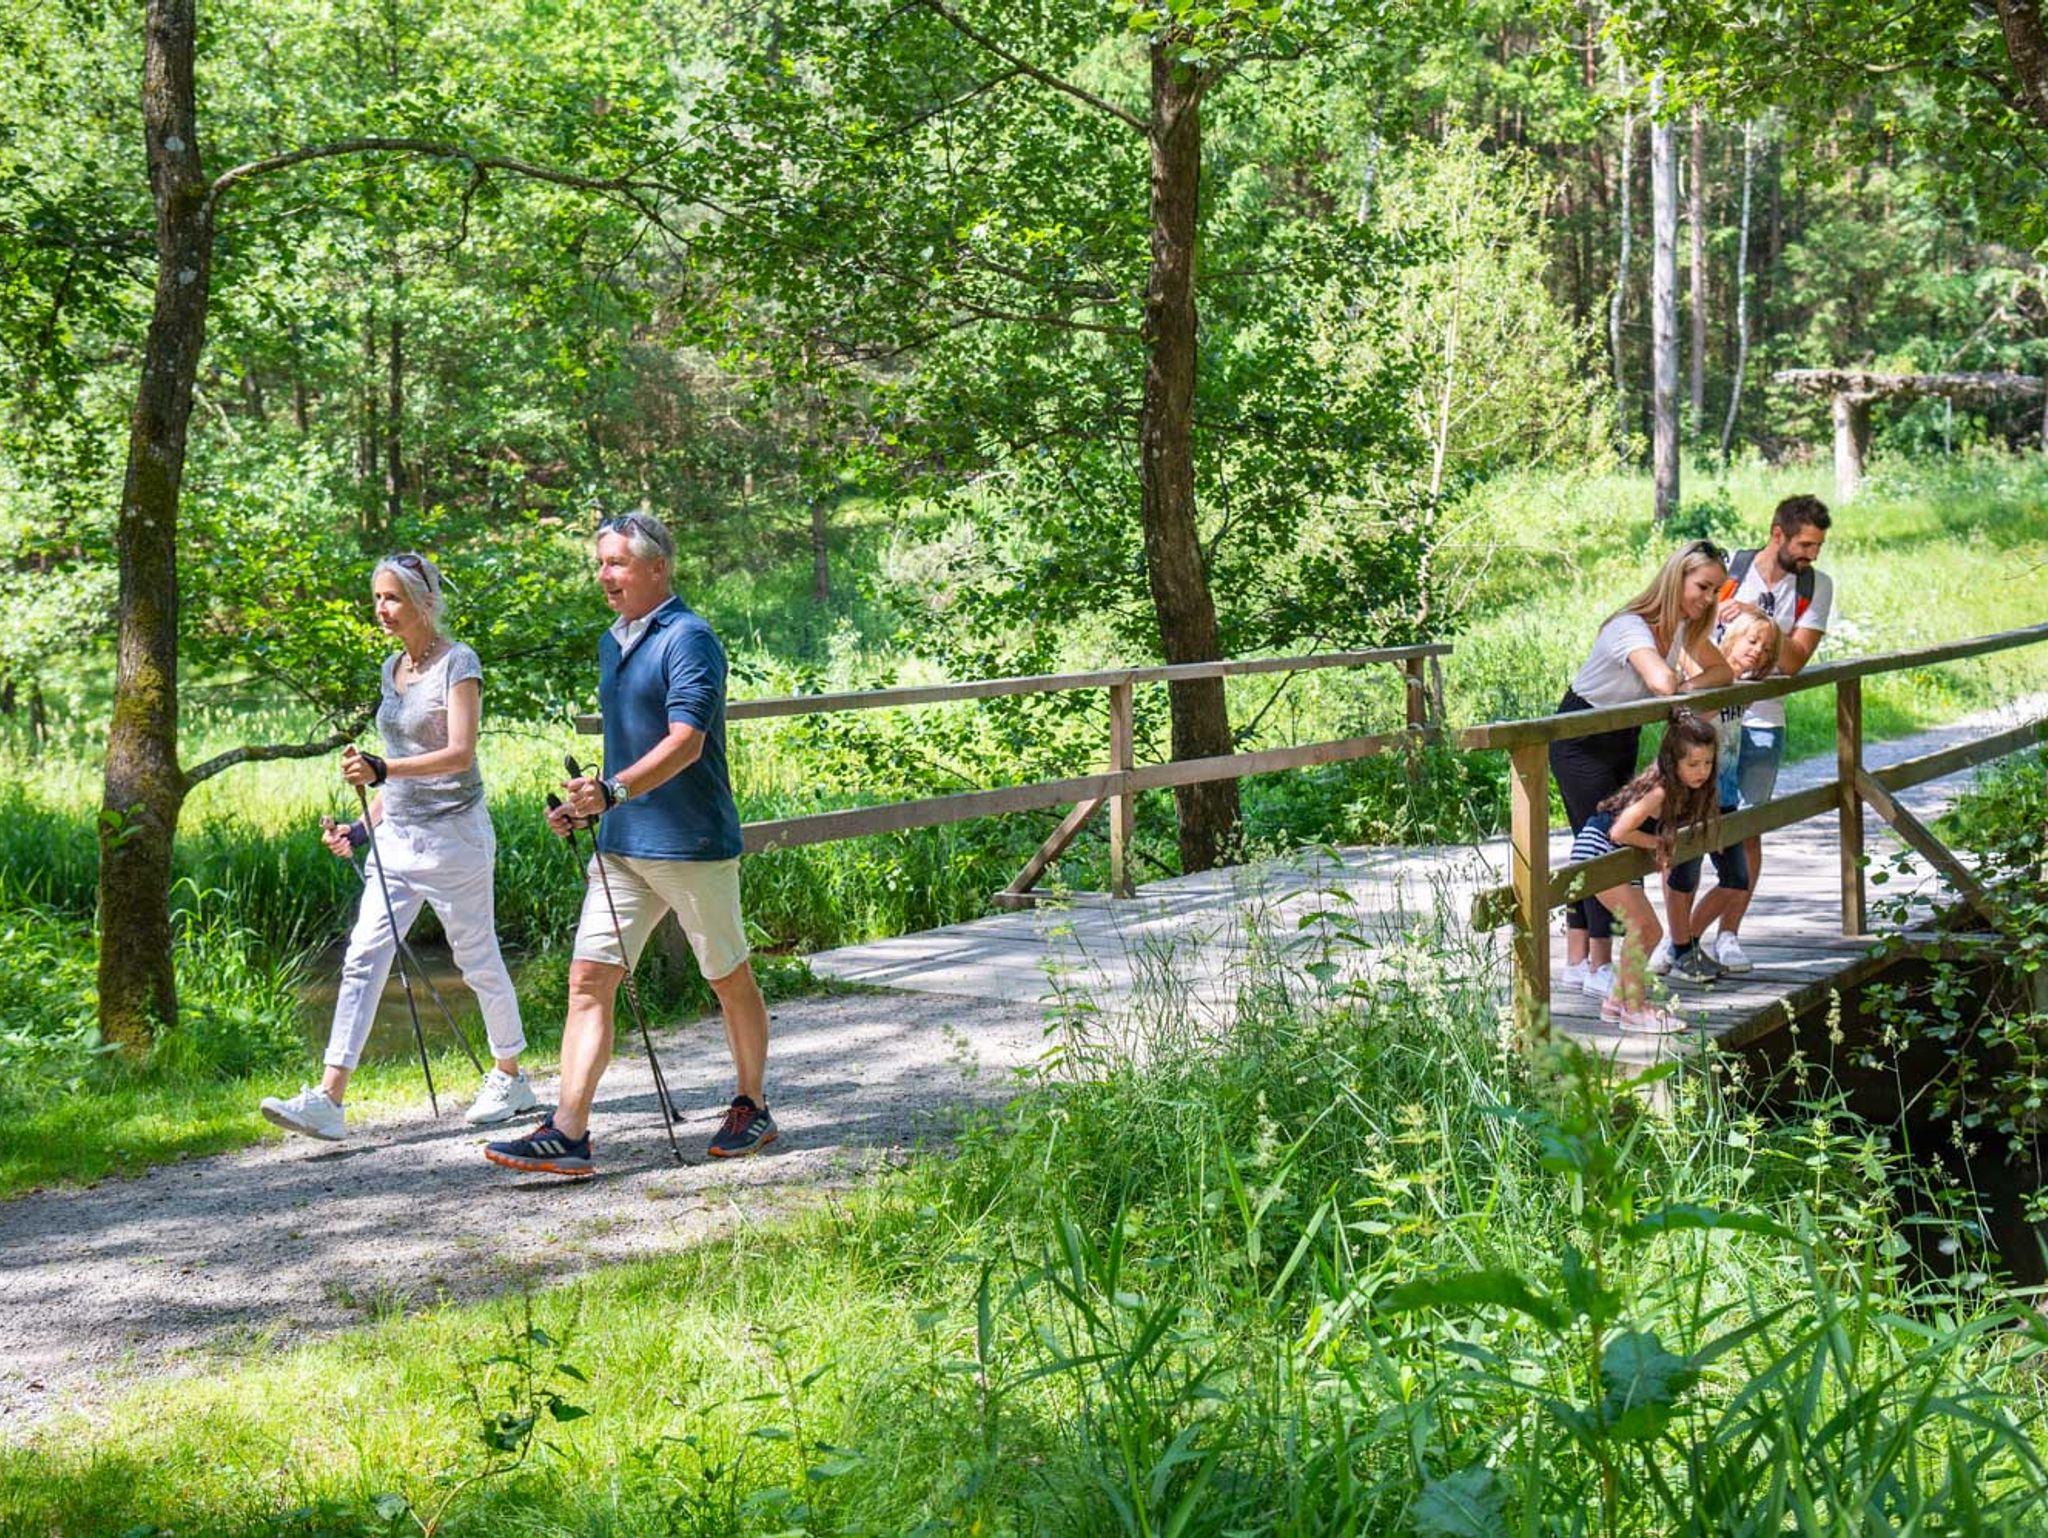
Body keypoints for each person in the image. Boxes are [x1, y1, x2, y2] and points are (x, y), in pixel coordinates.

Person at [484, 512, 775, 1178]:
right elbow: (627, 750)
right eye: (600, 564)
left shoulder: (690, 638)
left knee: (727, 977)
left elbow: (686, 742)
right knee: (589, 980)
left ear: (657, 566)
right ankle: (569, 1132)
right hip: (621, 845)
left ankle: (752, 1105)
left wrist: (612, 790)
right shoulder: (611, 643)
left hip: (690, 842)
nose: (604, 576)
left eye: (616, 563)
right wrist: (588, 803)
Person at [261, 553, 535, 1142]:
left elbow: (460, 753)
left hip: (455, 838)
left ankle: (510, 1075)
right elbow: (397, 774)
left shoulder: (459, 663)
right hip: (396, 842)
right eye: (377, 599)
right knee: (363, 957)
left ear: (425, 602)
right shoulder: (393, 668)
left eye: (393, 598)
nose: (382, 610)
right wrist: (361, 828)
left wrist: (383, 767)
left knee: (477, 959)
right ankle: (329, 1099)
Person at [1552, 540, 1734, 1001]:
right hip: (1581, 738)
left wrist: (1686, 685)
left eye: (1716, 590)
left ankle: (1581, 961)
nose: (1709, 598)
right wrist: (1680, 686)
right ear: (1677, 579)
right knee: (1599, 846)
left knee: (1597, 843)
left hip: (1622, 736)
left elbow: (1723, 673)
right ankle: (1595, 964)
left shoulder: (1681, 628)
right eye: (1703, 586)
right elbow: (1661, 682)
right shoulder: (1630, 627)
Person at [1696, 495, 1835, 973]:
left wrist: (1759, 619)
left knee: (1748, 828)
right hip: (1710, 717)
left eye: (1817, 546)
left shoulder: (1816, 586)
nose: (1811, 555)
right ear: (1778, 534)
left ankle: (1728, 936)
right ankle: (1680, 939)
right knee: (1698, 825)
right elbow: (1691, 632)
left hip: (1763, 721)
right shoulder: (1729, 570)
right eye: (1805, 545)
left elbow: (1793, 661)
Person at [1566, 710, 1723, 1033]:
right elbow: (1619, 831)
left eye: (1707, 763)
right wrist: (1657, 844)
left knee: (1645, 929)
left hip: (1619, 857)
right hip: (1599, 850)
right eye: (1693, 764)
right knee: (1646, 929)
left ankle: (1616, 1002)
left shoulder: (1687, 791)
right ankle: (1634, 1009)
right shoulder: (1660, 791)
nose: (1702, 771)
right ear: (1673, 763)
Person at [1651, 611, 1781, 985]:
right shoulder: (1711, 683)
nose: (1758, 652)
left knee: (1736, 878)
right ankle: (1681, 948)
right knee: (1684, 876)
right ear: (1730, 638)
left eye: (1766, 649)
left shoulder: (1743, 687)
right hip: (1691, 798)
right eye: (1752, 642)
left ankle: (1681, 943)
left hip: (1724, 797)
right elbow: (1683, 719)